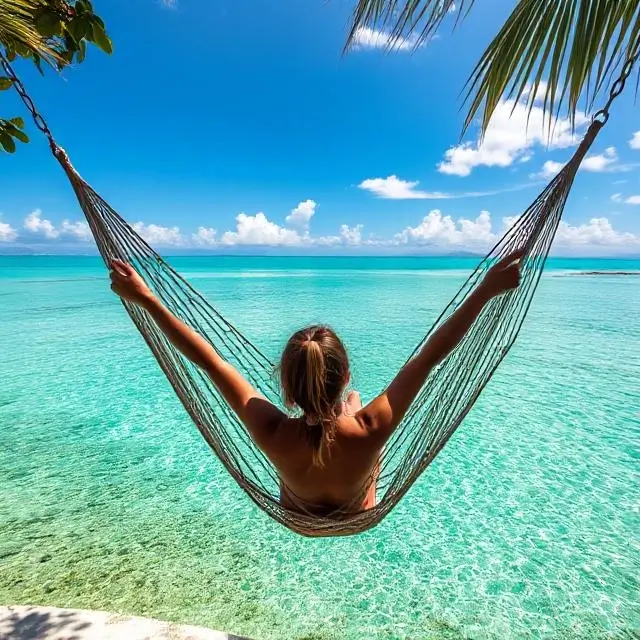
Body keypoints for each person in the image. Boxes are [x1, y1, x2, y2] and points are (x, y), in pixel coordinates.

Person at [109, 249, 524, 516]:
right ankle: (344, 406)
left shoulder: (270, 429)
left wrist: (145, 297)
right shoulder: (370, 427)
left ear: (286, 387)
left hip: (298, 514)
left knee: (348, 413)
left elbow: (210, 361)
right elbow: (431, 356)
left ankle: (337, 410)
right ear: (343, 375)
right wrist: (485, 290)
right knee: (357, 408)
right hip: (359, 509)